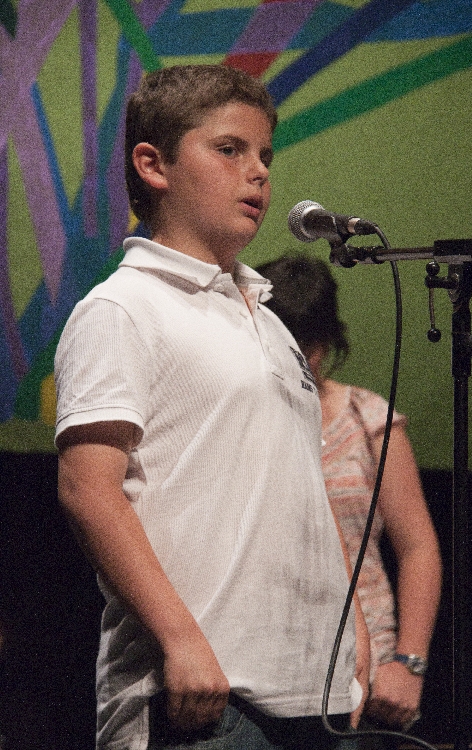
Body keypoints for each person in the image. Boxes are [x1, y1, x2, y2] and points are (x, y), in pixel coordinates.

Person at [54, 65, 370, 750]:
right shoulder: (124, 307)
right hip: (207, 697)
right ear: (153, 164)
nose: (258, 172)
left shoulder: (269, 320)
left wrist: (352, 635)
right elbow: (87, 489)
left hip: (313, 695)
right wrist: (181, 639)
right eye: (230, 149)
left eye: (265, 156)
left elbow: (294, 490)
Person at [255, 254, 442, 746]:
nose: (301, 356)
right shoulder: (245, 415)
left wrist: (409, 663)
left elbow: (418, 548)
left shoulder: (367, 419)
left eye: (310, 344)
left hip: (366, 666)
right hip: (267, 662)